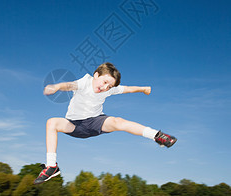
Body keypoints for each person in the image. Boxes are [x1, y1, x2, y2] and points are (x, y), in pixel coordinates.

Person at [34, 62, 177, 184]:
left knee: (118, 122)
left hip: (96, 121)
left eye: (109, 86)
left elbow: (126, 89)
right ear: (96, 75)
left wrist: (143, 89)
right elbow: (70, 85)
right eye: (104, 82)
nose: (105, 87)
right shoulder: (85, 82)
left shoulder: (108, 90)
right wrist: (57, 87)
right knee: (51, 123)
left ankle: (157, 136)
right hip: (74, 125)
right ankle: (52, 166)